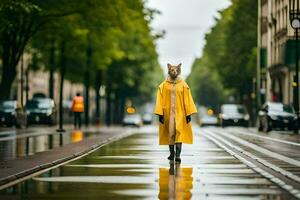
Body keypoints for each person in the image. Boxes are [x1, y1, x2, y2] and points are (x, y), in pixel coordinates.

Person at [154, 63, 197, 163]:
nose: (174, 72)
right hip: (168, 114)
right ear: (168, 70)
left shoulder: (183, 85)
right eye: (172, 70)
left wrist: (188, 114)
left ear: (179, 71)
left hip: (180, 114)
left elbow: (188, 99)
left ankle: (178, 155)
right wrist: (160, 114)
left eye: (176, 70)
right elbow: (159, 99)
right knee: (171, 134)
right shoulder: (163, 85)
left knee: (179, 134)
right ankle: (171, 154)